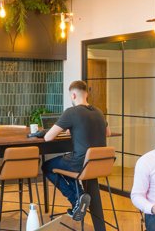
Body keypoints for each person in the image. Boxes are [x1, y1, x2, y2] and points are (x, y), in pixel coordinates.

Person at [42, 80, 109, 222]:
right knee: (66, 164)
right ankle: (79, 200)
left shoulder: (71, 112)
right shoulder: (98, 112)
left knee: (47, 166)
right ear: (86, 94)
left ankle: (76, 199)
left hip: (81, 163)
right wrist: (76, 130)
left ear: (73, 95)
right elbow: (107, 132)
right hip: (98, 164)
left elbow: (48, 137)